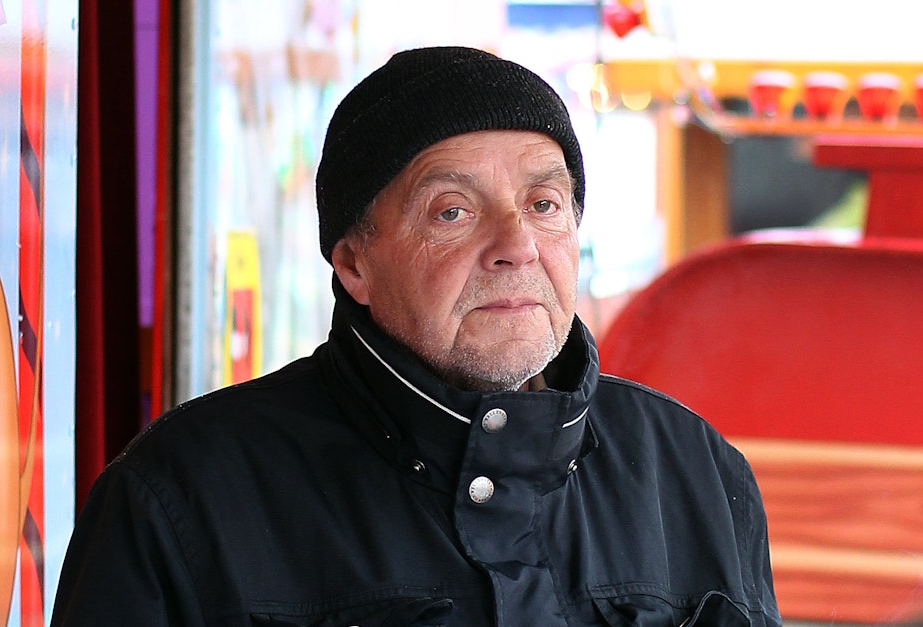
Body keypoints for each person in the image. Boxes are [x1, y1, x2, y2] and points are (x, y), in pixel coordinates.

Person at [53, 46, 780, 626]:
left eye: (544, 202)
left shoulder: (698, 474)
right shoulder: (183, 499)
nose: (517, 244)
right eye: (452, 211)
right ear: (354, 262)